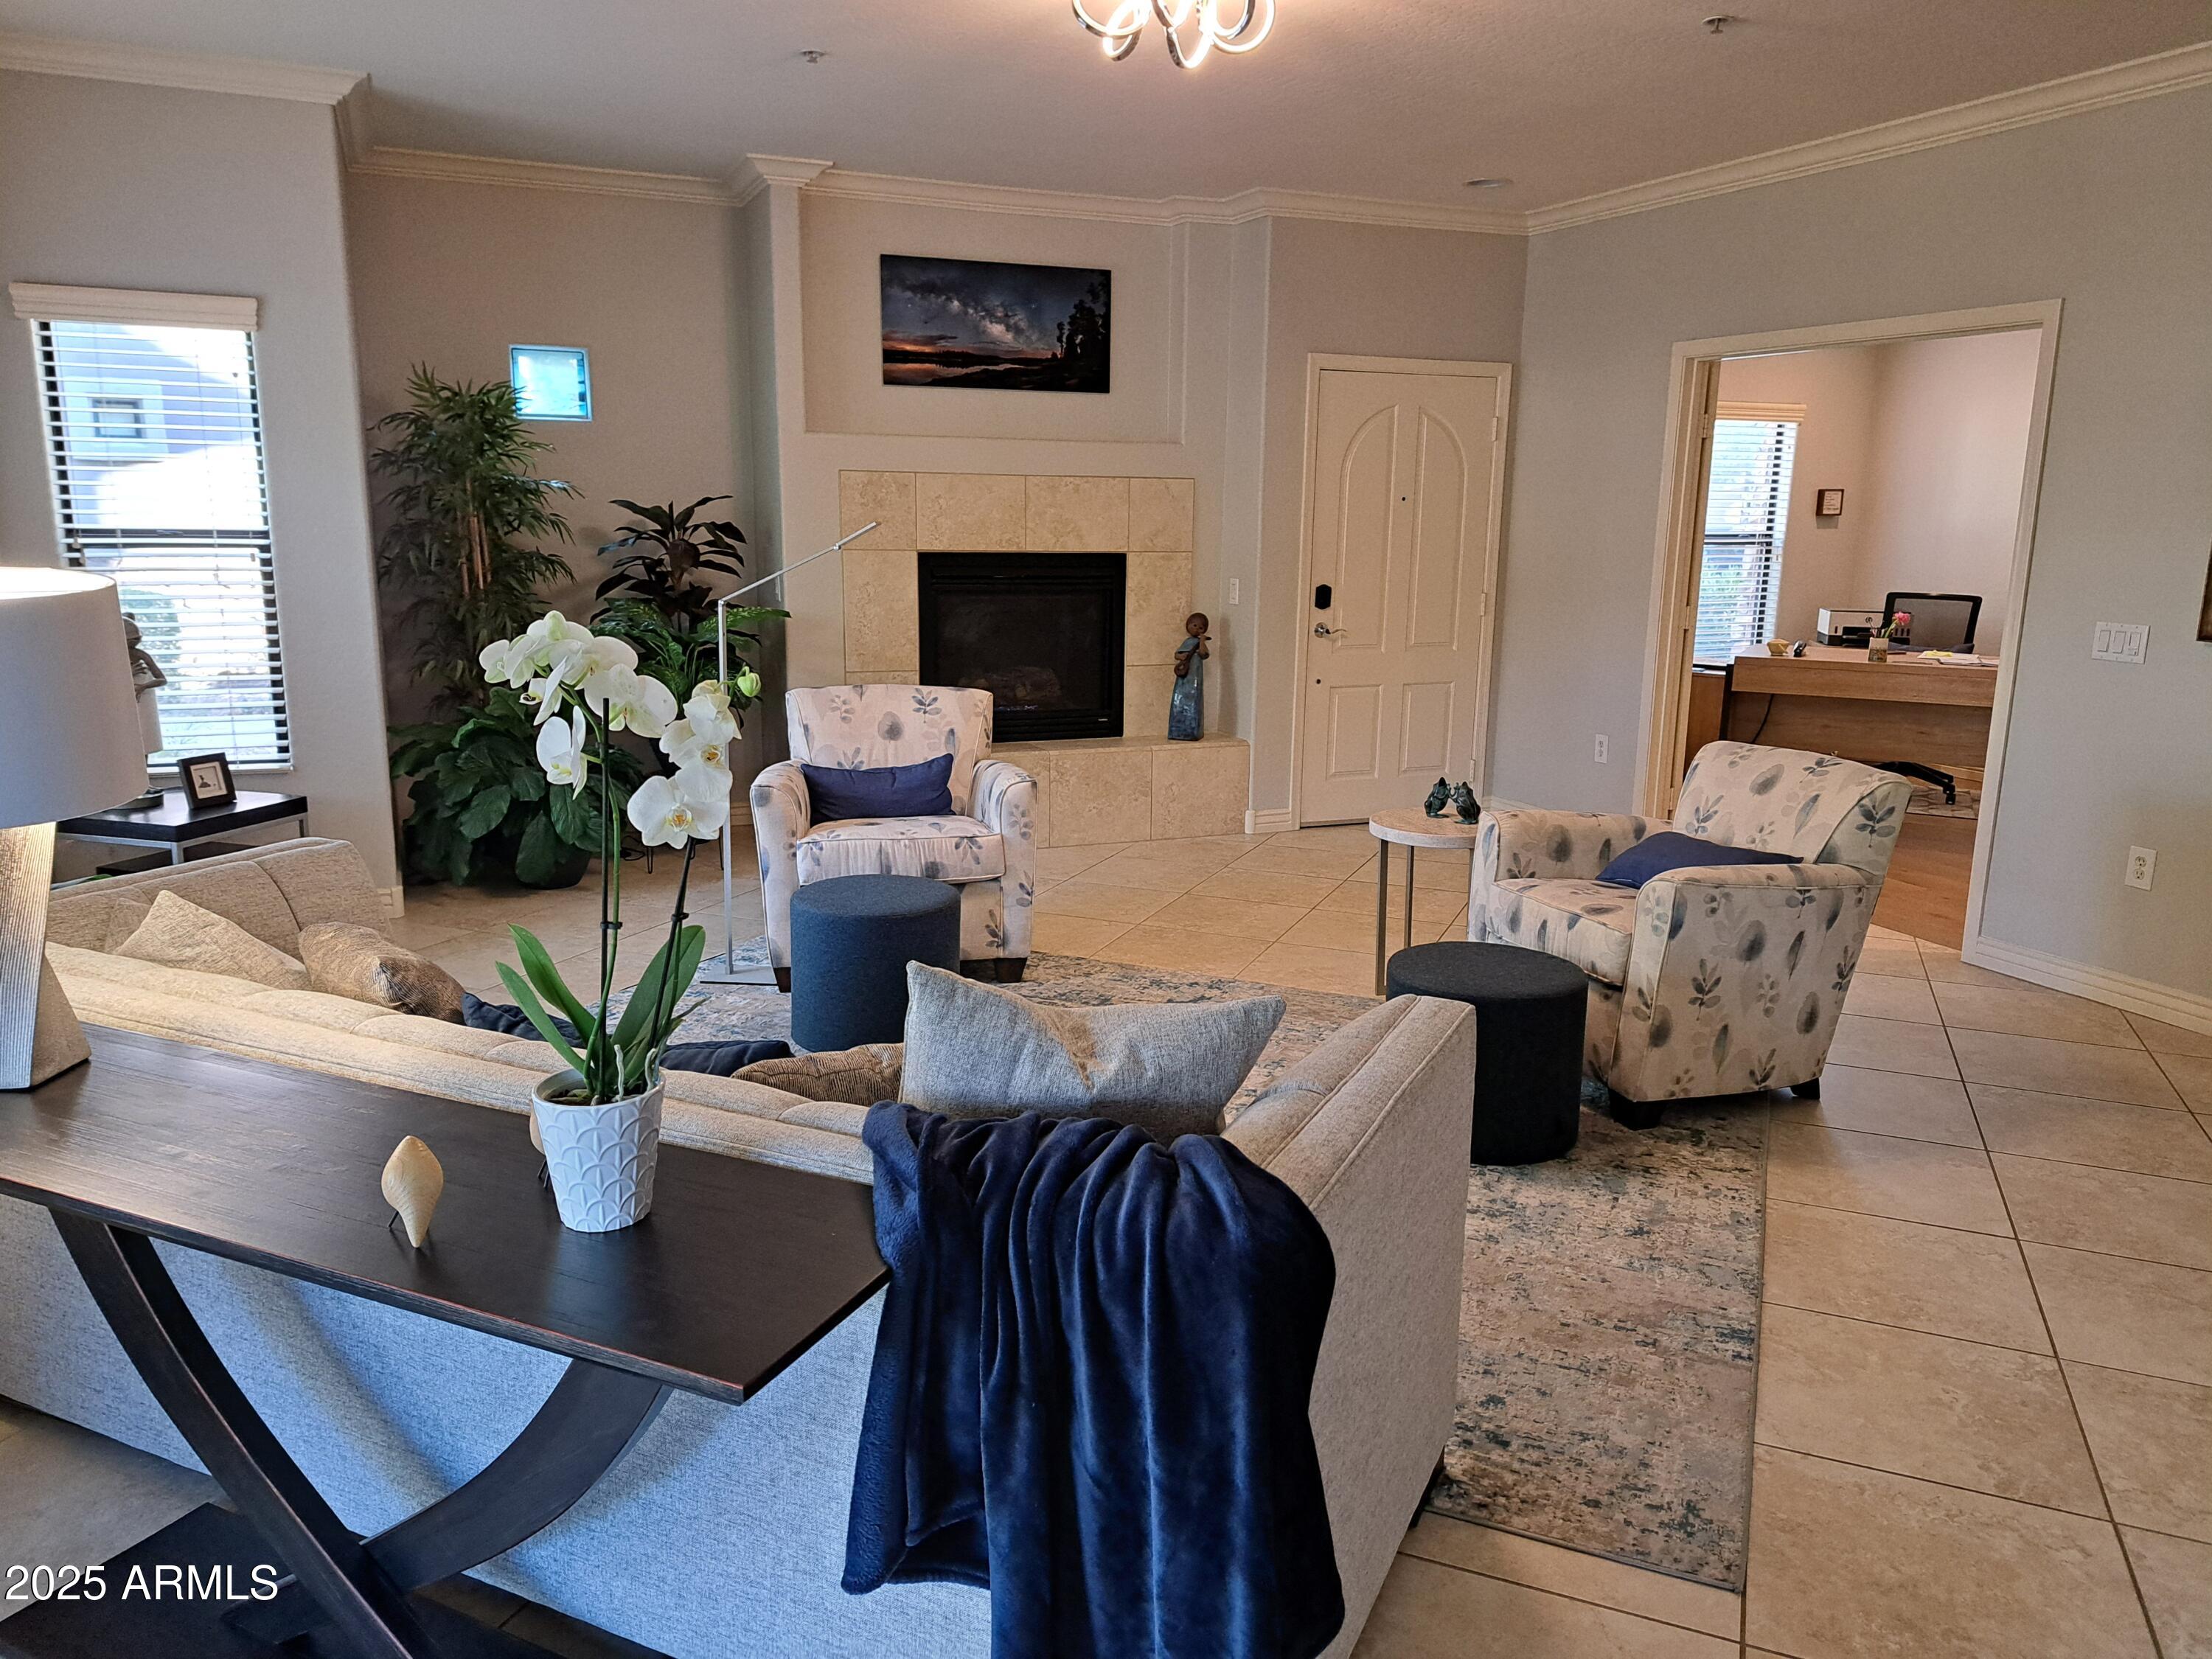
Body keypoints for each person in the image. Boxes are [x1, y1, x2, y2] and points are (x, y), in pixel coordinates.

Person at [1168, 612, 1209, 740]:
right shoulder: (1187, 642)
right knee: (1179, 699)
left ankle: (1192, 731)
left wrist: (1202, 641)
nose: (1197, 629)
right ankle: (1177, 730)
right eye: (1194, 625)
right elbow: (1177, 654)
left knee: (1194, 699)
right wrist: (1182, 656)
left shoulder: (1199, 642)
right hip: (1184, 677)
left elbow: (1204, 654)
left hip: (1195, 676)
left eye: (1200, 628)